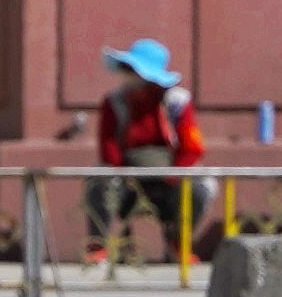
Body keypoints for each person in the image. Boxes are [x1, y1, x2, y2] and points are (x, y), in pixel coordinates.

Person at [87, 37, 206, 265]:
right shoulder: (114, 102)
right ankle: (98, 244)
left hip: (169, 175)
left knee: (202, 186)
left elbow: (192, 148)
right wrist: (122, 173)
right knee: (97, 179)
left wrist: (173, 176)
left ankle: (178, 242)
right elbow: (108, 144)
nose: (128, 75)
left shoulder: (177, 102)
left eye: (134, 70)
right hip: (126, 176)